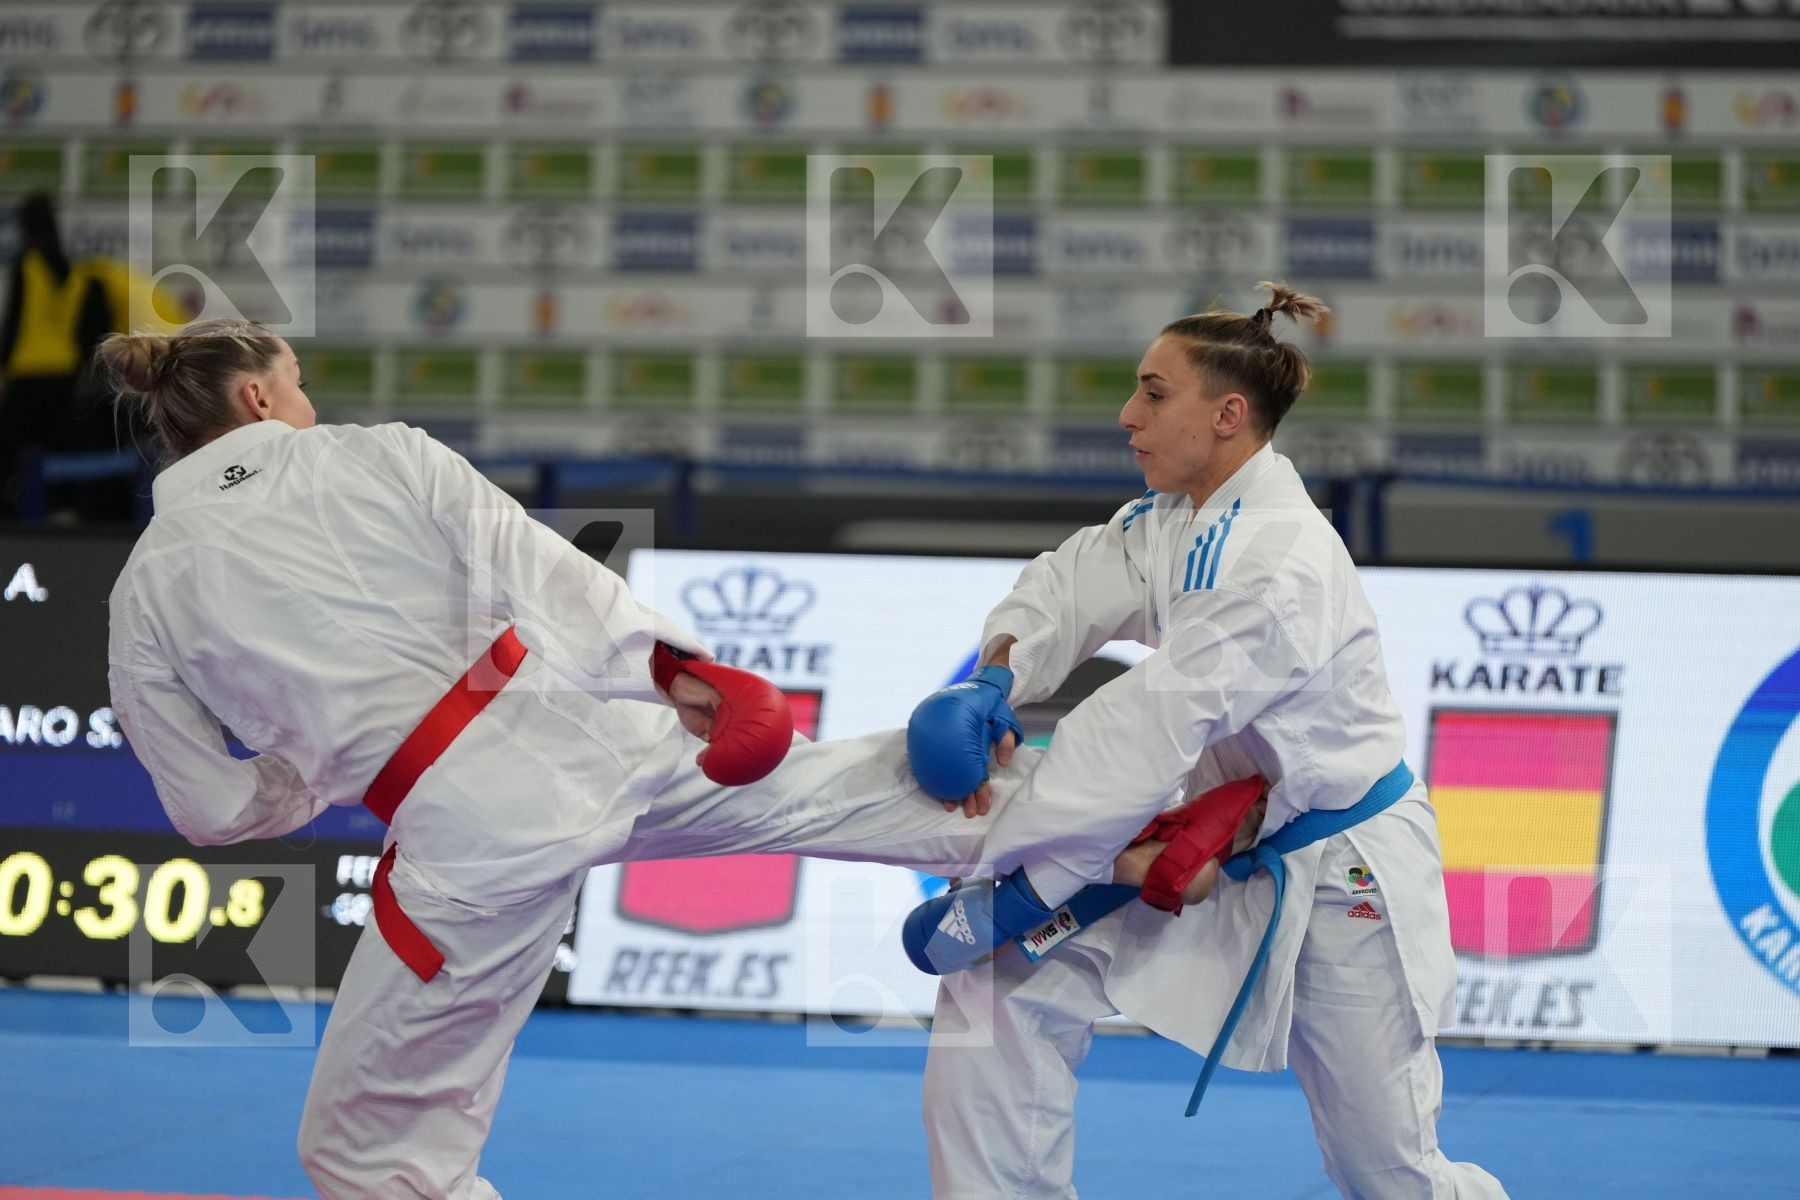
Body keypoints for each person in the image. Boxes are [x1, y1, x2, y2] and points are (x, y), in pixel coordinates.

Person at [98, 318, 1233, 1200]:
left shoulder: (145, 588)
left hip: (466, 837)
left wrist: (305, 772)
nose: (305, 399)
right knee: (836, 790)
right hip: (591, 732)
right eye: (293, 382)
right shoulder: (374, 454)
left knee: (362, 1151)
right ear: (257, 397)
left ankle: (1116, 841)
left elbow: (205, 807)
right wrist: (682, 675)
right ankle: (1129, 828)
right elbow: (537, 571)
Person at [903, 284, 1508, 1198]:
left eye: (1153, 393)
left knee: (1387, 1170)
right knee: (1002, 991)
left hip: (1340, 873)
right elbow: (1070, 585)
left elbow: (1148, 727)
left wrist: (1025, 881)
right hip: (1216, 848)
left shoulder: (1277, 558)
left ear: (1227, 415)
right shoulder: (1175, 519)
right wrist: (995, 676)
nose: (1127, 415)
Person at [0, 193, 113, 517]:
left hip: (27, 377)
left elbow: (14, 323)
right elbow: (91, 334)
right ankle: (63, 512)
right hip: (64, 379)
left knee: (14, 455)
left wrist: (3, 370)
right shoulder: (80, 274)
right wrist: (82, 375)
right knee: (59, 453)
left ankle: (15, 518)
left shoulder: (28, 265)